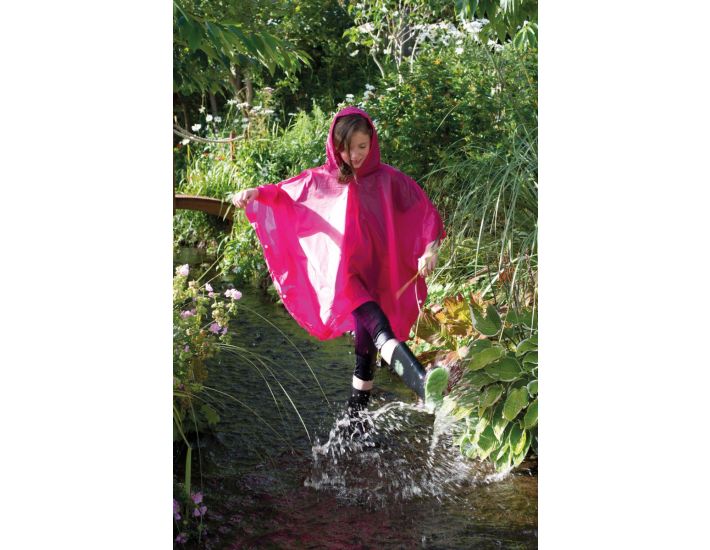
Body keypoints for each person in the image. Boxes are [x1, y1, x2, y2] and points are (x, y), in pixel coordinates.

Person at [232, 106, 448, 418]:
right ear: (336, 147)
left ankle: (355, 423)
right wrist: (255, 192)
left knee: (365, 353)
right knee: (380, 328)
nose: (355, 155)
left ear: (372, 142)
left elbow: (426, 213)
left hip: (379, 274)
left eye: (362, 147)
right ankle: (422, 383)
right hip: (347, 277)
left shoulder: (390, 180)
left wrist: (429, 250)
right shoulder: (322, 180)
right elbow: (285, 194)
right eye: (346, 149)